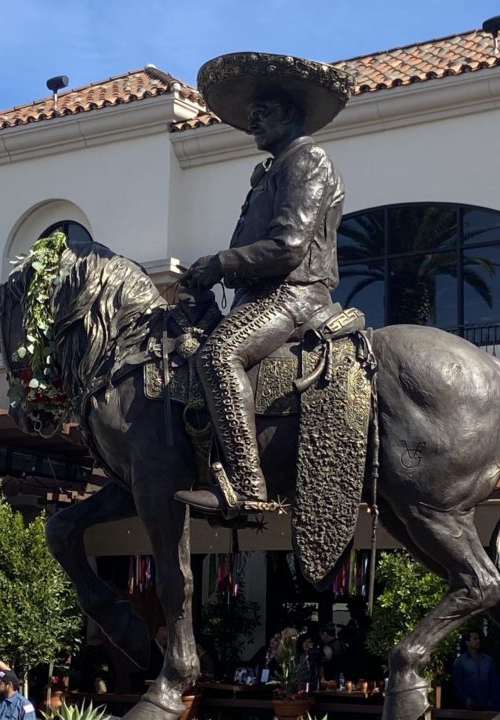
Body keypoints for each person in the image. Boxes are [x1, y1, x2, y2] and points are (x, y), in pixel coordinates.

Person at [173, 52, 352, 518]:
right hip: (262, 297)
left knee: (218, 355)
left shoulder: (307, 160)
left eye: (263, 113)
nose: (252, 122)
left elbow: (289, 247)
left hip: (296, 295)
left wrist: (221, 262)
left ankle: (247, 488)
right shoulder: (270, 172)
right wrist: (208, 276)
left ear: (290, 115)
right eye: (250, 115)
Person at [452, 630, 496, 710]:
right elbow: (457, 684)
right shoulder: (460, 661)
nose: (478, 641)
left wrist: (492, 699)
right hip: (468, 705)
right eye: (475, 639)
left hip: (487, 704)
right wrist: (465, 700)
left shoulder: (488, 660)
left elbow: (493, 681)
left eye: (479, 638)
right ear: (467, 642)